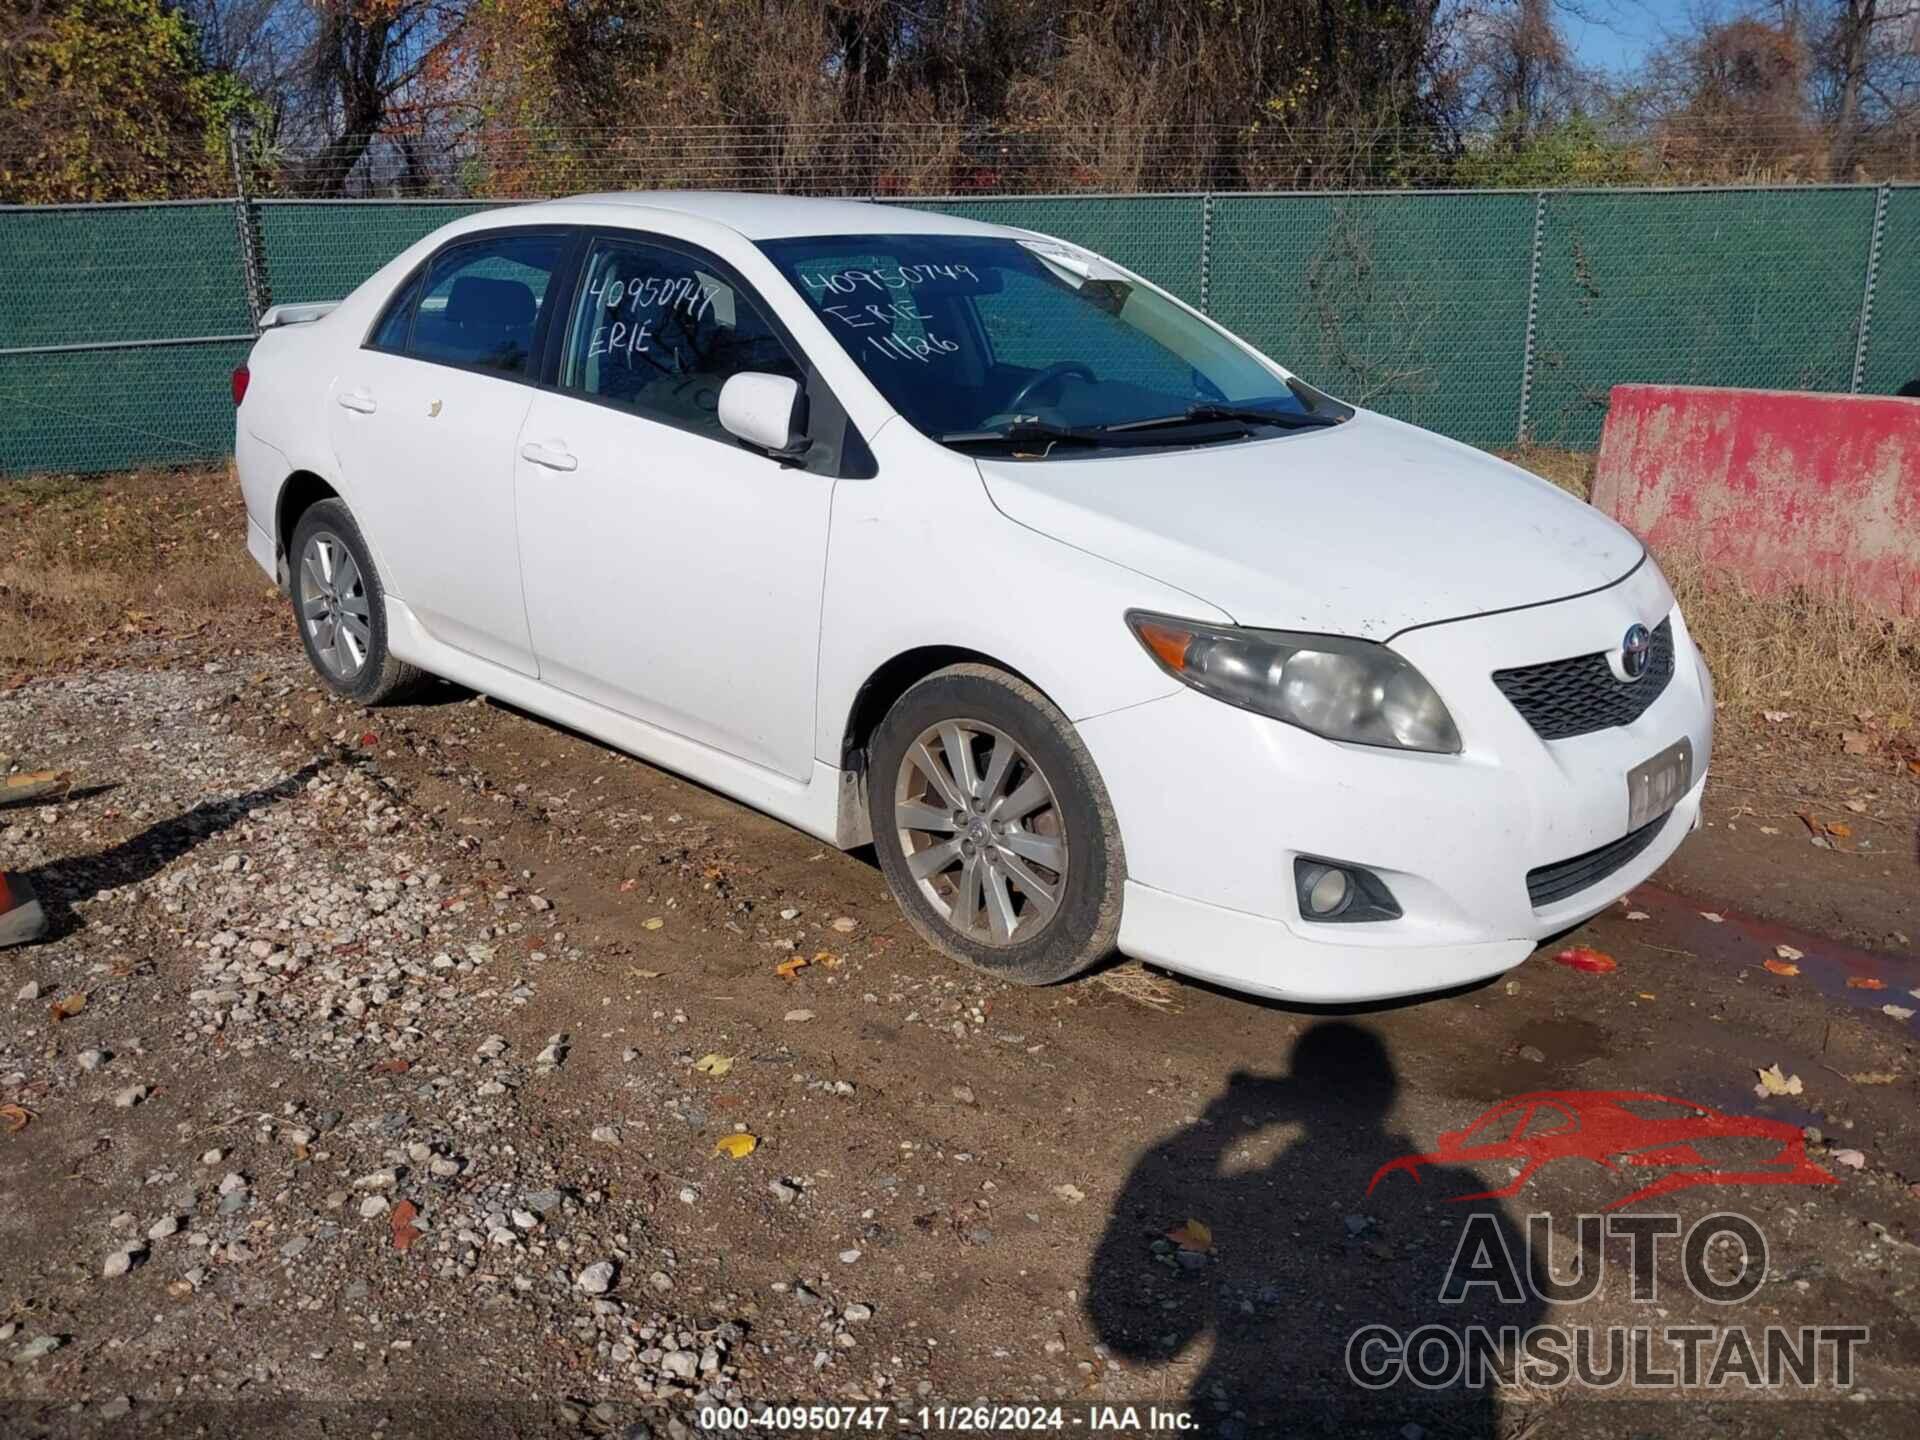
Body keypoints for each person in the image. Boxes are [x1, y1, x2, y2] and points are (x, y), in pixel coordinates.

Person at [1085, 1022, 1546, 1437]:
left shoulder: (1448, 1189)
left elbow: (1138, 1341)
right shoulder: (1456, 1188)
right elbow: (1524, 1306)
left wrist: (1222, 1122)